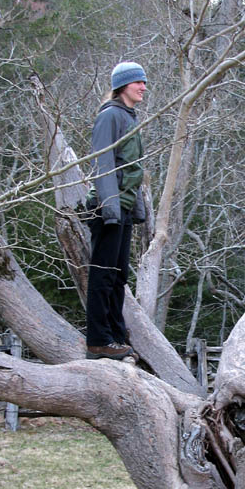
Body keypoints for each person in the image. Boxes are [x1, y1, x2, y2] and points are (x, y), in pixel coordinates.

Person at [85, 61, 147, 360]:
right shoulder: (110, 116)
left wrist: (135, 210)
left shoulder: (128, 117)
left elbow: (132, 170)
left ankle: (115, 336)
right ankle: (98, 341)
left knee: (119, 275)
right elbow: (103, 164)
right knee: (103, 275)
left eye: (144, 83)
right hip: (107, 208)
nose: (144, 87)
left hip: (120, 208)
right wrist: (109, 209)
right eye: (139, 82)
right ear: (123, 85)